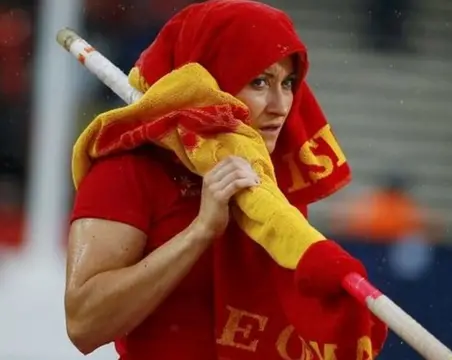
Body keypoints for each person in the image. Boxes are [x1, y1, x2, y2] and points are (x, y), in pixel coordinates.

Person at [64, 1, 386, 359]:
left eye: (289, 83)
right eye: (260, 81)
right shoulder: (127, 170)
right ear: (211, 82)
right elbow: (84, 322)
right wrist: (200, 232)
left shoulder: (268, 179)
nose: (281, 105)